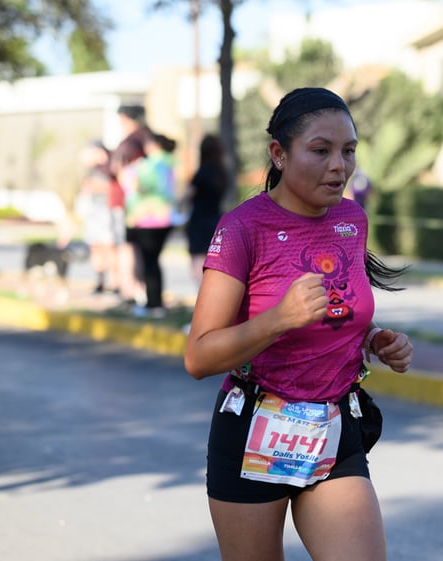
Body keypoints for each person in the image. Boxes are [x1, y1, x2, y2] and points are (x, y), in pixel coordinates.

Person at [183, 87, 413, 561]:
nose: (340, 166)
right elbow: (198, 356)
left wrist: (372, 338)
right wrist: (278, 319)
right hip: (253, 428)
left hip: (333, 426)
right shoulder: (243, 228)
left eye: (349, 151)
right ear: (279, 155)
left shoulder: (351, 219)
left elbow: (336, 309)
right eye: (321, 150)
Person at [124, 131, 177, 317]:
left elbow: (142, 187)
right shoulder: (170, 162)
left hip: (149, 219)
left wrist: (131, 173)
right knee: (154, 262)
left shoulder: (151, 165)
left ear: (153, 145)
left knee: (150, 263)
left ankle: (153, 303)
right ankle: (155, 301)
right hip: (164, 218)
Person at [110, 104, 152, 307]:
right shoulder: (147, 138)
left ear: (126, 119)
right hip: (143, 205)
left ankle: (130, 291)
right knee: (139, 250)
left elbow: (117, 168)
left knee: (127, 248)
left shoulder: (132, 141)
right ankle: (140, 291)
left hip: (127, 203)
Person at [184, 134, 229, 291]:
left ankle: (203, 295)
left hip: (199, 220)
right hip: (215, 219)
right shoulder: (222, 173)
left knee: (198, 260)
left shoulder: (201, 173)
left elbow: (186, 196)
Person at [75, 140, 117, 295]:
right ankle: (100, 281)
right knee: (96, 246)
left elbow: (112, 187)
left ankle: (115, 282)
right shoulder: (92, 171)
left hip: (108, 211)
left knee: (109, 246)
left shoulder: (111, 166)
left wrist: (95, 187)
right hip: (94, 212)